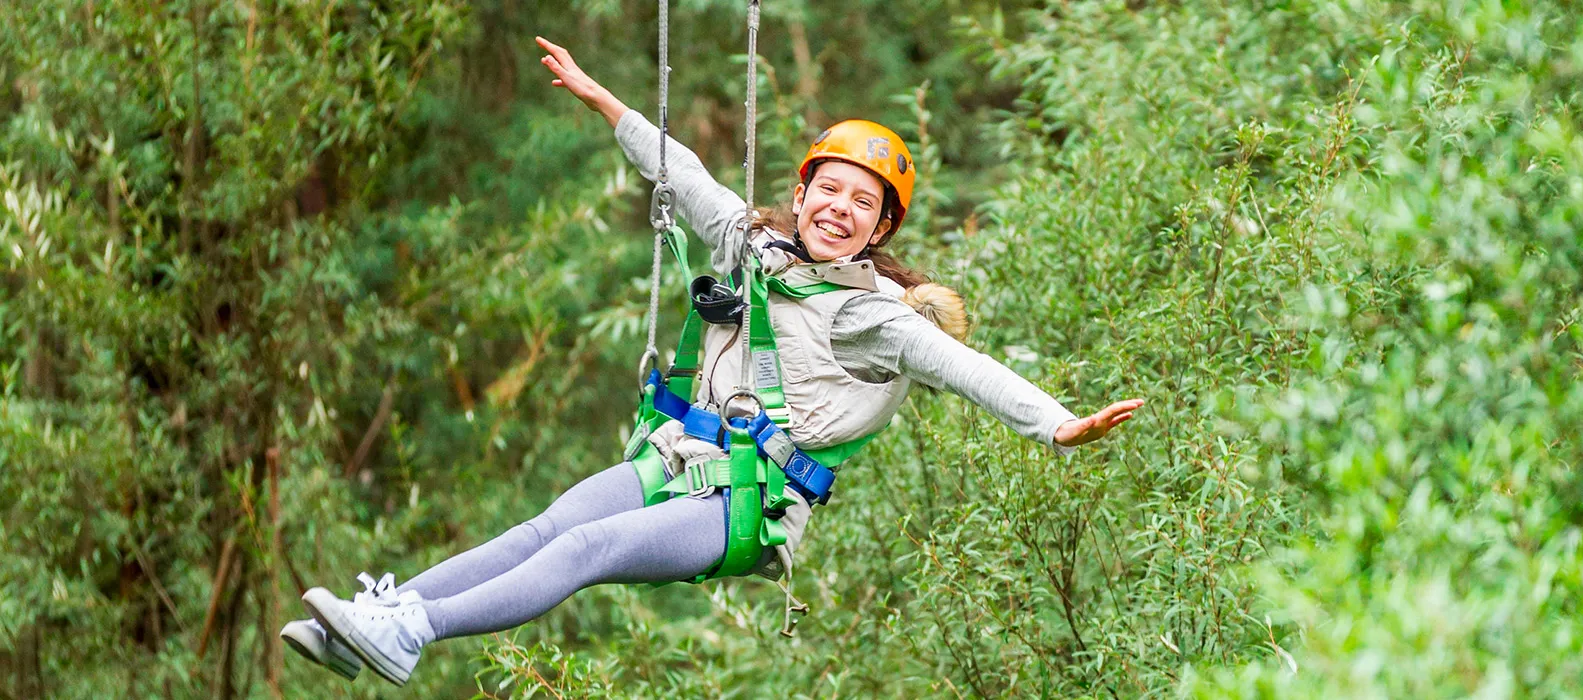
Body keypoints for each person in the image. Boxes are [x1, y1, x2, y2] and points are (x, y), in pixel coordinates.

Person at [285, 36, 1146, 687]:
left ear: (881, 230)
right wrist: (602, 100)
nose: (840, 209)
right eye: (829, 189)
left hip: (745, 504)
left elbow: (970, 370)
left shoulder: (874, 318)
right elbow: (684, 172)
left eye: (864, 203)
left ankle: (410, 631)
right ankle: (372, 621)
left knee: (583, 550)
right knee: (543, 529)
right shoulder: (752, 244)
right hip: (676, 457)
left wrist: (1060, 426)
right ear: (801, 193)